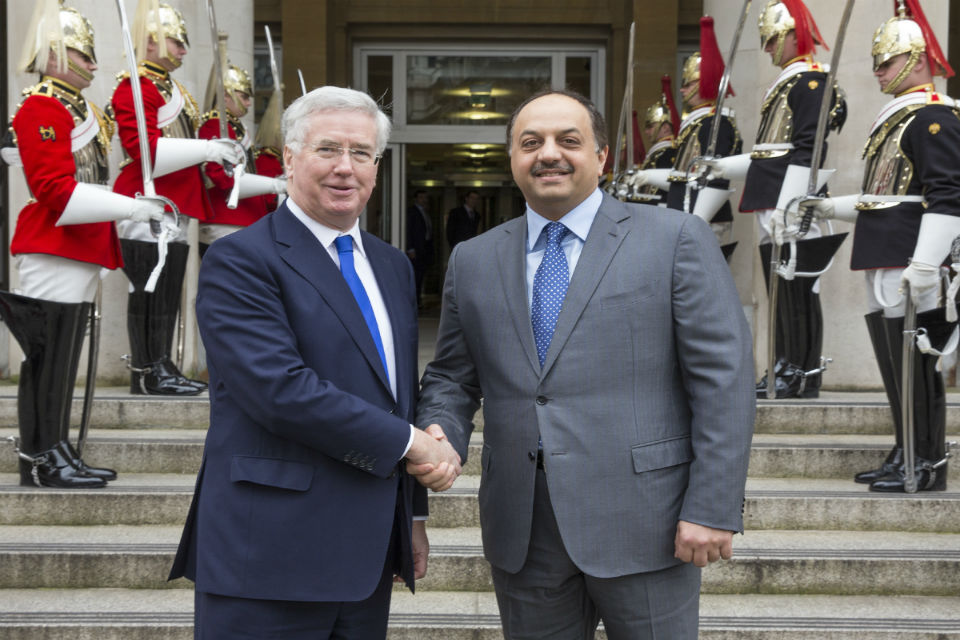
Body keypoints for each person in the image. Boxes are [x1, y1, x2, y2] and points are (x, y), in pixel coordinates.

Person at [415, 88, 755, 639]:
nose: (548, 153)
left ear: (602, 157)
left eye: (568, 141)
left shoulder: (674, 239)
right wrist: (440, 428)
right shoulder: (473, 259)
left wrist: (713, 506)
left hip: (649, 523)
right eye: (531, 143)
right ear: (512, 160)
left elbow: (725, 381)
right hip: (524, 532)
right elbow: (454, 374)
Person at [169, 86, 462, 638]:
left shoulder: (392, 265)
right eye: (328, 150)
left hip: (369, 556)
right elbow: (279, 390)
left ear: (377, 166)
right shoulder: (240, 259)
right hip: (269, 556)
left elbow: (398, 395)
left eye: (361, 153)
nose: (345, 168)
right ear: (291, 158)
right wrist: (411, 444)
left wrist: (412, 517)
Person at [793, 0, 959, 492]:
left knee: (915, 362)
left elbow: (948, 195)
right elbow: (881, 196)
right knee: (894, 361)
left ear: (916, 57)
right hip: (884, 253)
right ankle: (904, 448)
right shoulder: (896, 120)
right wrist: (830, 208)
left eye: (886, 61)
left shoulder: (933, 118)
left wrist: (927, 264)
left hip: (909, 256)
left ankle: (926, 460)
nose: (877, 71)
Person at [0, 2, 166, 488]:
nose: (93, 63)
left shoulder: (78, 110)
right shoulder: (41, 106)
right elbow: (53, 188)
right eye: (82, 54)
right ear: (53, 54)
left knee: (64, 356)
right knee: (49, 355)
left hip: (79, 245)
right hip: (55, 243)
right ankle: (40, 455)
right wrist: (131, 209)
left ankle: (58, 447)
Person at [704, 0, 847, 398]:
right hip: (774, 202)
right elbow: (767, 153)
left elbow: (807, 149)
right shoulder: (786, 83)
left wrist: (791, 203)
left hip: (792, 202)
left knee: (799, 289)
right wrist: (722, 167)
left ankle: (802, 370)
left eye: (771, 40)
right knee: (780, 290)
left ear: (790, 35)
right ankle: (786, 364)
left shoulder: (811, 81)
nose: (767, 49)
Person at [110, 1, 244, 396]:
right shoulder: (134, 86)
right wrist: (207, 151)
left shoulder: (174, 90)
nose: (184, 49)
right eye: (177, 41)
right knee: (149, 290)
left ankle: (161, 363)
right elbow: (144, 150)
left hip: (178, 203)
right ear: (151, 43)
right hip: (148, 200)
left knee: (168, 291)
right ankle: (145, 369)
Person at [627, 17, 742, 242]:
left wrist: (696, 220)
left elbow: (715, 178)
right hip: (688, 213)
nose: (682, 90)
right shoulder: (698, 124)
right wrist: (648, 175)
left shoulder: (714, 124)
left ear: (704, 83)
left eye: (688, 84)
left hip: (705, 216)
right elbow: (683, 177)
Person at [197, 61, 286, 255]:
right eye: (244, 96)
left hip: (245, 219)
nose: (248, 103)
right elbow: (218, 175)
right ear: (226, 96)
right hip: (226, 218)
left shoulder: (235, 128)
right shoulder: (215, 125)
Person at [406, 189, 434, 308]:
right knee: (415, 277)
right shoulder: (411, 212)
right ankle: (414, 303)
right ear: (416, 199)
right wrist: (410, 248)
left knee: (421, 276)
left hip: (424, 250)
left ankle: (418, 301)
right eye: (421, 197)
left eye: (425, 197)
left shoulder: (426, 212)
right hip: (416, 250)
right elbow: (408, 230)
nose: (424, 200)